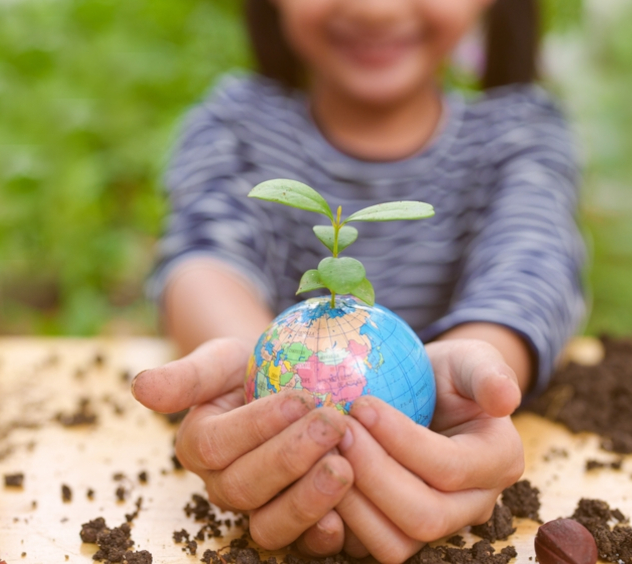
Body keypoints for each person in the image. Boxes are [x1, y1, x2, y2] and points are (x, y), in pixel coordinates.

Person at [130, 0, 586, 561]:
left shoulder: (520, 132)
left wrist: (479, 378)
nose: (376, 8)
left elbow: (532, 270)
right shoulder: (234, 125)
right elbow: (203, 260)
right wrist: (255, 373)